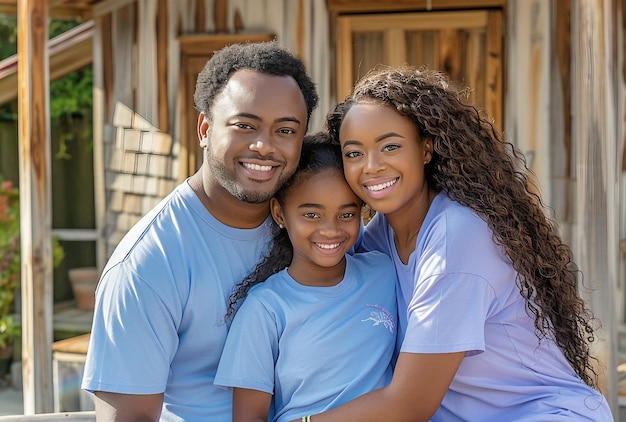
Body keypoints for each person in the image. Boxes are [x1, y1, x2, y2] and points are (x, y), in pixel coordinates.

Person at [295, 66, 614, 421]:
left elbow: (407, 405)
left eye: (390, 146)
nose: (371, 166)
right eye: (354, 153)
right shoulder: (381, 234)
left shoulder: (455, 237)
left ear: (426, 149)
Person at [81, 41, 319, 422]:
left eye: (285, 130)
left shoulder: (315, 229)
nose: (264, 146)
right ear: (205, 128)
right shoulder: (147, 265)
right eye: (245, 125)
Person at [214, 133, 398, 422]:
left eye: (346, 215)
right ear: (279, 213)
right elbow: (249, 417)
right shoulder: (265, 308)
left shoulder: (384, 273)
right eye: (312, 215)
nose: (331, 230)